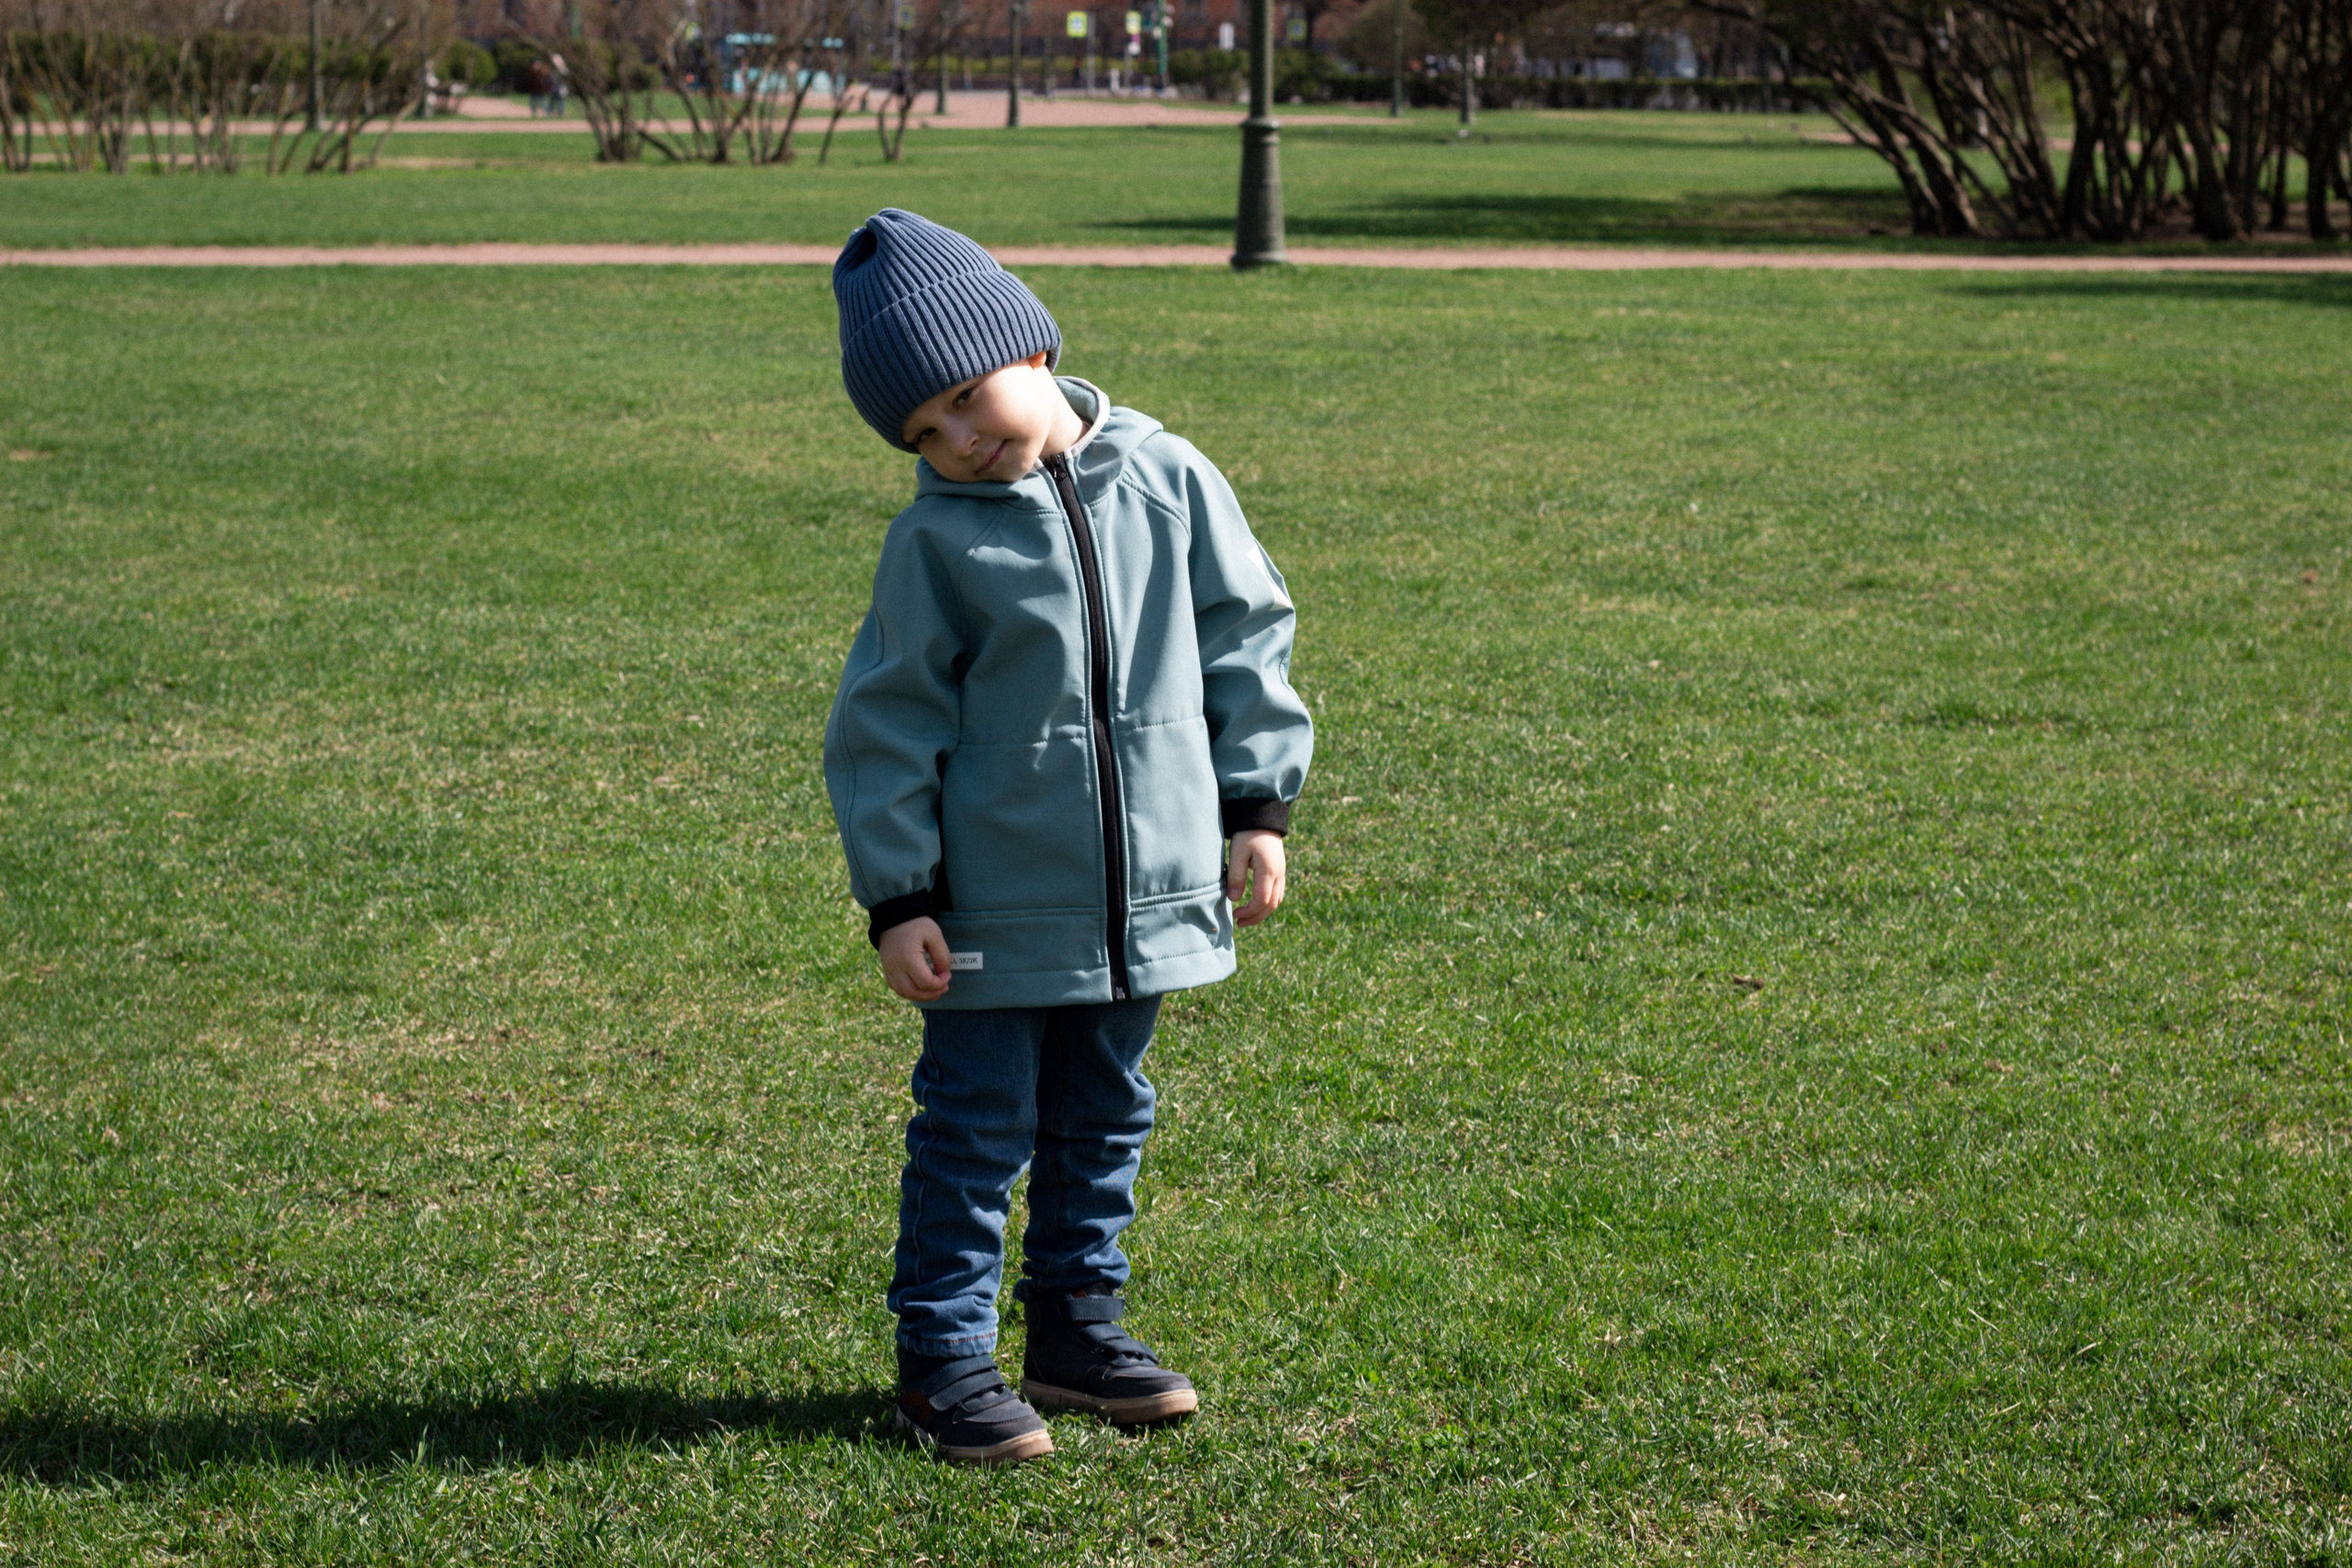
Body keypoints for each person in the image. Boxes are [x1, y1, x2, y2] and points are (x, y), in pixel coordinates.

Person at [825, 209, 1312, 1467]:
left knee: (1107, 1115)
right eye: (923, 431)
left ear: (1030, 349)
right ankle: (941, 1365)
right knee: (976, 1129)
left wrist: (1257, 807)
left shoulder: (1168, 474)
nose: (958, 441)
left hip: (1145, 897)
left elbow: (1243, 636)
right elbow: (885, 726)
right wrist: (903, 896)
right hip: (992, 910)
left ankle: (1076, 1333)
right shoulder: (937, 541)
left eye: (966, 400)